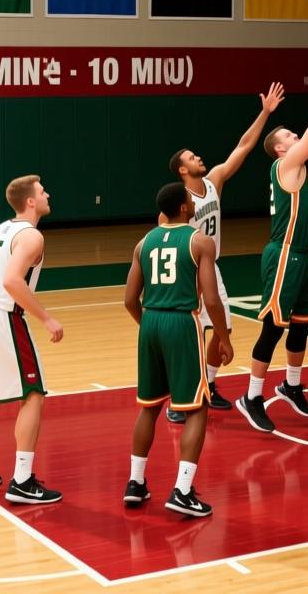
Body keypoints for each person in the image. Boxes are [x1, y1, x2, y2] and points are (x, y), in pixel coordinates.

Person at [236, 45, 308, 434]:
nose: (296, 133)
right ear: (281, 148)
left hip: (301, 256)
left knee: (301, 324)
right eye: (289, 133)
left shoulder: (296, 166)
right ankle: (251, 396)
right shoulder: (286, 164)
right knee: (274, 327)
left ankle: (292, 384)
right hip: (283, 255)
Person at [164, 81, 285, 424]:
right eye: (191, 157)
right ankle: (179, 399)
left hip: (211, 267)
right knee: (193, 336)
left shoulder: (214, 180)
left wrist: (265, 112)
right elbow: (162, 237)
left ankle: (210, 386)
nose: (198, 156)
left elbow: (244, 146)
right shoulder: (177, 200)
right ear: (182, 170)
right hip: (190, 270)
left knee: (223, 330)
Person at [123, 183, 232, 517]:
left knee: (150, 407)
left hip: (151, 322)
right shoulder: (200, 242)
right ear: (185, 208)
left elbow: (129, 300)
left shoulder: (144, 243)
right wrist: (224, 337)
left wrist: (149, 326)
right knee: (197, 408)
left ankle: (135, 483)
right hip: (182, 323)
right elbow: (211, 299)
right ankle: (183, 491)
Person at [0, 175, 64, 505]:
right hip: (4, 317)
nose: (47, 194)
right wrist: (46, 318)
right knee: (33, 394)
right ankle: (22, 480)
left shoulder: (1, 229)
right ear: (31, 202)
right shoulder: (32, 236)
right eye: (42, 191)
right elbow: (11, 281)